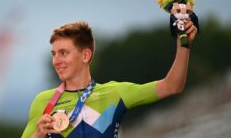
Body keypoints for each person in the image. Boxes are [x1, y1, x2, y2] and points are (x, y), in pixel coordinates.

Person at [21, 21, 198, 138]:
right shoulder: (43, 101)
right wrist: (38, 134)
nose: (56, 61)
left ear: (85, 55)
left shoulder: (115, 92)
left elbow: (172, 86)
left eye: (63, 53)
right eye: (54, 54)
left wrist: (184, 45)